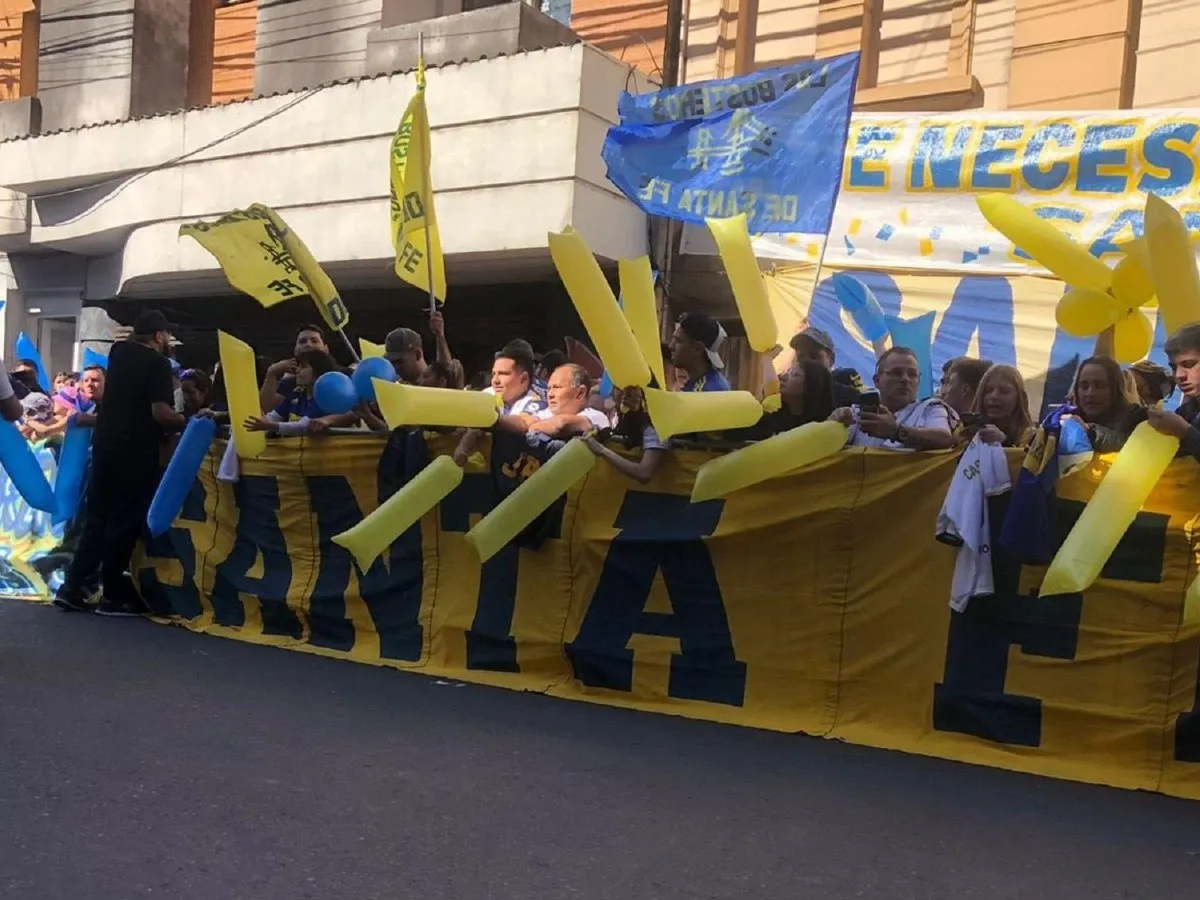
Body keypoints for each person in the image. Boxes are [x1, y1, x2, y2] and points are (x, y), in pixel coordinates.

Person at [55, 310, 186, 616]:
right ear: (159, 336)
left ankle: (73, 587)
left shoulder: (118, 353)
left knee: (97, 520)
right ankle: (113, 594)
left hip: (105, 447)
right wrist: (187, 420)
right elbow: (161, 413)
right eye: (166, 336)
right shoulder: (157, 363)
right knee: (123, 522)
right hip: (135, 451)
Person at [830, 347, 956, 451]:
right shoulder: (858, 414)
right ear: (877, 380)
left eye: (912, 374)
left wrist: (895, 432)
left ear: (918, 381)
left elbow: (944, 439)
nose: (905, 379)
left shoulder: (930, 409)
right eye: (897, 373)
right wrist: (832, 424)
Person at [245, 348, 357, 435]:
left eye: (303, 367)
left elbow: (303, 426)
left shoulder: (325, 397)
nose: (297, 371)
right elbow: (273, 416)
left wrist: (269, 426)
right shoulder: (296, 394)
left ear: (318, 369)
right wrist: (257, 419)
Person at [497, 364, 610, 439]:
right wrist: (495, 419)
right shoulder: (546, 413)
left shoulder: (596, 417)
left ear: (580, 393)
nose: (550, 394)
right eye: (549, 388)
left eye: (557, 387)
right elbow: (522, 421)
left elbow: (561, 424)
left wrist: (532, 427)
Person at [583, 386, 668, 483]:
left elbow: (644, 473)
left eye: (632, 389)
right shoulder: (619, 418)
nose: (624, 395)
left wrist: (601, 450)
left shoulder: (655, 428)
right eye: (618, 388)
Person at [742, 359, 836, 439]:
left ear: (811, 386)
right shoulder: (772, 421)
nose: (783, 377)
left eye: (795, 374)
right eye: (788, 372)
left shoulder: (824, 428)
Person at [1068, 355, 1143, 452]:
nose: (1090, 393)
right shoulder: (1070, 417)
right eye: (1084, 386)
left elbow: (1129, 442)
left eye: (1099, 386)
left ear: (1115, 389)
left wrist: (1089, 431)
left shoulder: (1136, 418)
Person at [1148, 324, 1200, 454]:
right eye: (1174, 367)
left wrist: (1184, 431)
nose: (1178, 375)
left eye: (1188, 364)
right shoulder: (1186, 411)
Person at [259, 324, 329, 413]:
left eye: (314, 341)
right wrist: (271, 373)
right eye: (303, 341)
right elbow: (267, 409)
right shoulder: (290, 382)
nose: (308, 345)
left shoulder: (341, 374)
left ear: (326, 349)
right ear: (295, 350)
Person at [789, 326, 864, 407]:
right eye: (801, 357)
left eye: (814, 356)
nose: (807, 362)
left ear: (831, 359)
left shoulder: (848, 397)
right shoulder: (788, 396)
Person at [965, 364, 1034, 448]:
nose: (994, 396)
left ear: (1020, 398)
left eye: (1004, 391)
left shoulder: (1032, 438)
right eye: (988, 390)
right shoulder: (965, 433)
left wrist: (1003, 443)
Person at [669, 312, 731, 392]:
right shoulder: (697, 384)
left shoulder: (712, 390)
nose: (671, 346)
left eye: (678, 341)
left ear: (697, 349)